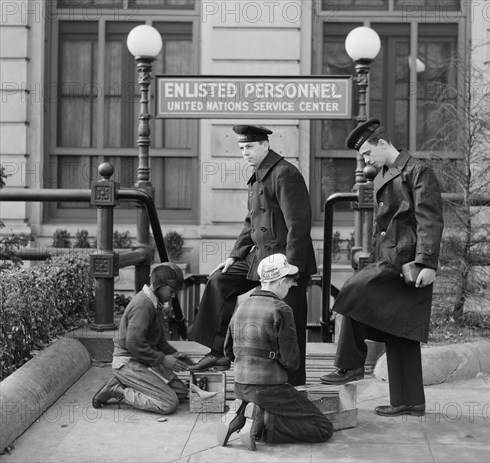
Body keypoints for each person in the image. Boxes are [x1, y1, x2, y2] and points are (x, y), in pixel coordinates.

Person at [320, 118, 444, 417]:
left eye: (366, 153)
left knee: (351, 294)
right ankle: (409, 402)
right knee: (401, 331)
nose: (364, 160)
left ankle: (349, 366)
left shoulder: (418, 171)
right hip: (389, 258)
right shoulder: (386, 173)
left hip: (407, 262)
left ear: (383, 143)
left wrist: (427, 262)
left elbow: (430, 219)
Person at [189, 124, 316, 386]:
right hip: (258, 258)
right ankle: (218, 353)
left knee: (288, 319)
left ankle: (292, 382)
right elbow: (250, 223)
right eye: (241, 148)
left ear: (265, 145)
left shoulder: (285, 174)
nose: (244, 152)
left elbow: (299, 224)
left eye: (249, 147)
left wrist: (292, 266)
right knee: (219, 282)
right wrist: (235, 256)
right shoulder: (258, 175)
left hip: (284, 262)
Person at [217, 253, 333, 451]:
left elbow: (228, 351)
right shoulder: (281, 308)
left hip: (240, 385)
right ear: (280, 281)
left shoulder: (242, 306)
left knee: (270, 401)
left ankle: (242, 411)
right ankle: (263, 425)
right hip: (268, 388)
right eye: (289, 284)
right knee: (323, 427)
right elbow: (291, 359)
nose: (290, 288)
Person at [92, 263, 193, 415]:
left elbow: (159, 341)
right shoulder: (143, 305)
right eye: (171, 291)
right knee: (169, 403)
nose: (172, 296)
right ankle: (117, 390)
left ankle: (127, 382)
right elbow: (133, 344)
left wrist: (174, 354)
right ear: (159, 285)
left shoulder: (154, 303)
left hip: (142, 360)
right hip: (128, 362)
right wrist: (163, 360)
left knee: (180, 392)